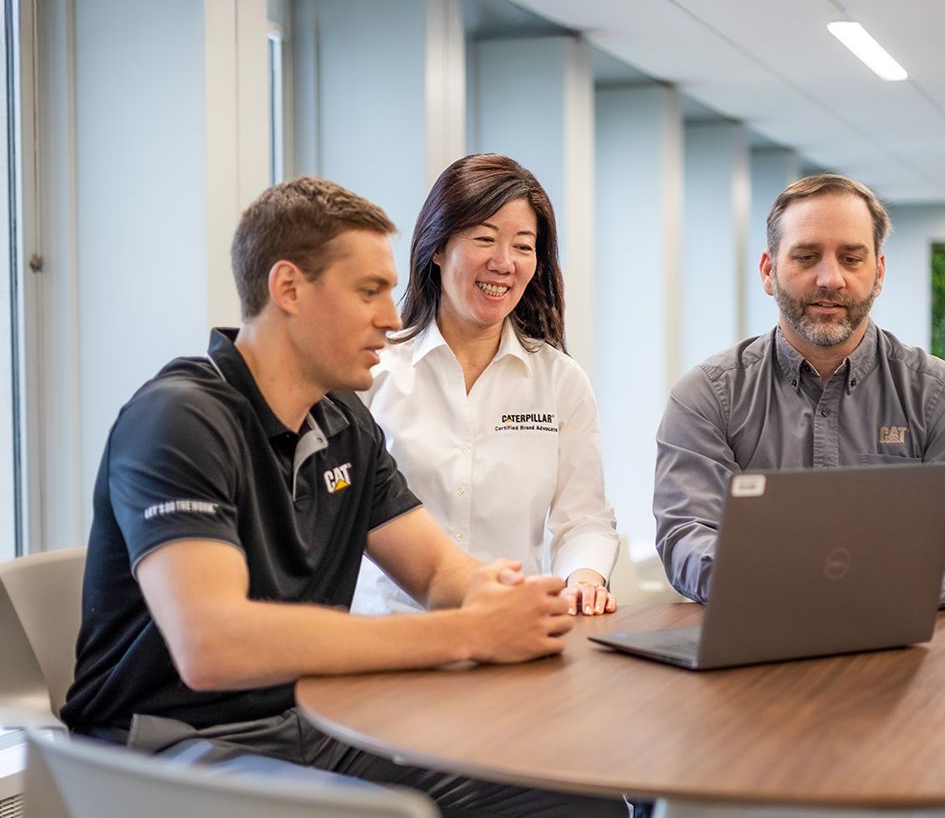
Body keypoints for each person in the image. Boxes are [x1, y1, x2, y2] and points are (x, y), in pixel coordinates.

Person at [60, 177, 626, 817]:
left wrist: (510, 600)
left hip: (307, 720)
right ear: (288, 288)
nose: (393, 318)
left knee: (581, 804)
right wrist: (467, 633)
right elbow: (212, 646)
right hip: (172, 747)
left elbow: (436, 571)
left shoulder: (344, 424)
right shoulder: (179, 419)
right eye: (368, 292)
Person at [653, 174, 945, 606]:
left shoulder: (944, 397)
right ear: (768, 271)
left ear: (879, 272)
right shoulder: (707, 398)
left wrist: (873, 584)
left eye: (851, 259)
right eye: (806, 257)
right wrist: (800, 583)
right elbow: (687, 537)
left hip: (904, 638)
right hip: (757, 636)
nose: (830, 279)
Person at [353, 154, 619, 617]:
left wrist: (582, 580)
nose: (504, 263)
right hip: (391, 636)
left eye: (523, 246)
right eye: (484, 239)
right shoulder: (372, 371)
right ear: (437, 247)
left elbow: (584, 519)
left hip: (512, 631)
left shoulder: (559, 380)